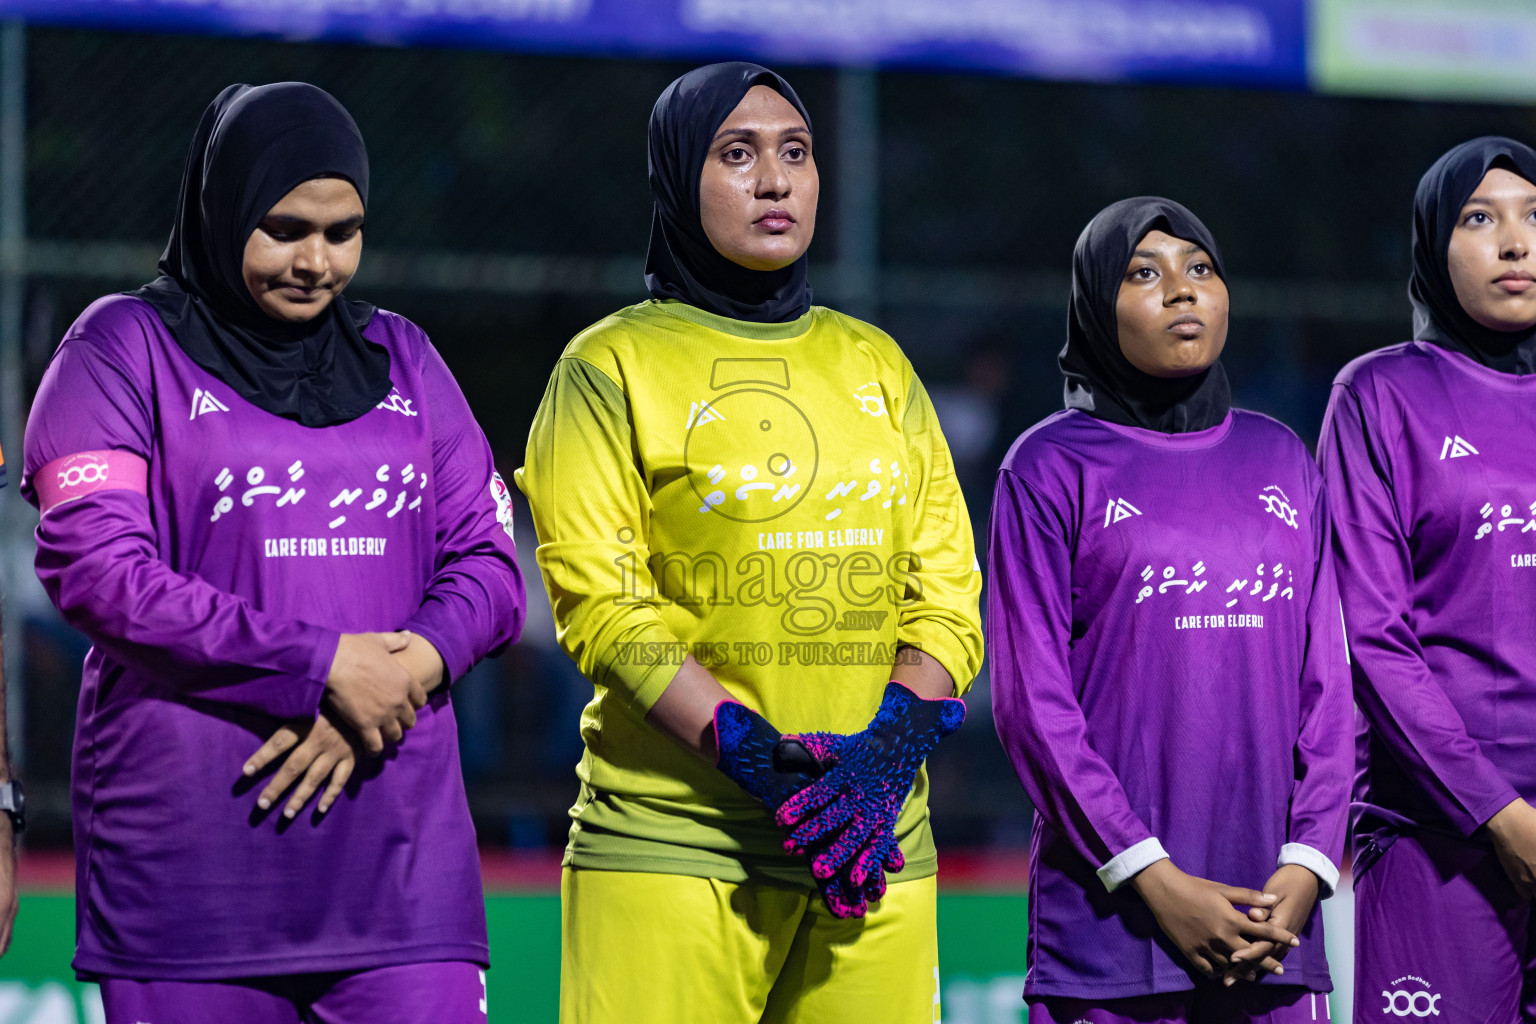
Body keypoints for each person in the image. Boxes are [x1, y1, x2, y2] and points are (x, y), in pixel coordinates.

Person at [20, 82, 524, 1023]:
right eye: (285, 227)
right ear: (222, 209)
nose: (315, 261)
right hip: (192, 872)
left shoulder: (407, 359)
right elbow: (99, 574)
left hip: (401, 862)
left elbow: (491, 565)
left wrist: (405, 666)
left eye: (343, 232)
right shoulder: (121, 350)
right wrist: (323, 665)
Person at [516, 62, 982, 1024]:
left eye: (796, 153)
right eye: (738, 154)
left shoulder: (877, 364)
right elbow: (602, 603)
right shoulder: (608, 366)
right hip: (675, 846)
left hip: (874, 843)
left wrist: (888, 752)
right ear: (679, 179)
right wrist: (751, 753)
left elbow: (946, 589)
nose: (775, 181)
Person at [988, 197, 1351, 1023]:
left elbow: (1329, 689)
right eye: (1144, 274)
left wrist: (1306, 869)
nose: (1182, 291)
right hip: (1112, 940)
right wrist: (1154, 876)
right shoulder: (1047, 467)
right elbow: (1032, 709)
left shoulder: (1281, 455)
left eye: (1200, 269)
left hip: (1274, 932)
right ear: (1094, 306)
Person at [1319, 137, 1536, 1022]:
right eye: (1480, 219)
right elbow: (1371, 638)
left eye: (1533, 217)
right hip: (1438, 836)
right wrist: (1501, 815)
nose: (1515, 243)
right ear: (1433, 245)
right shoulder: (1379, 396)